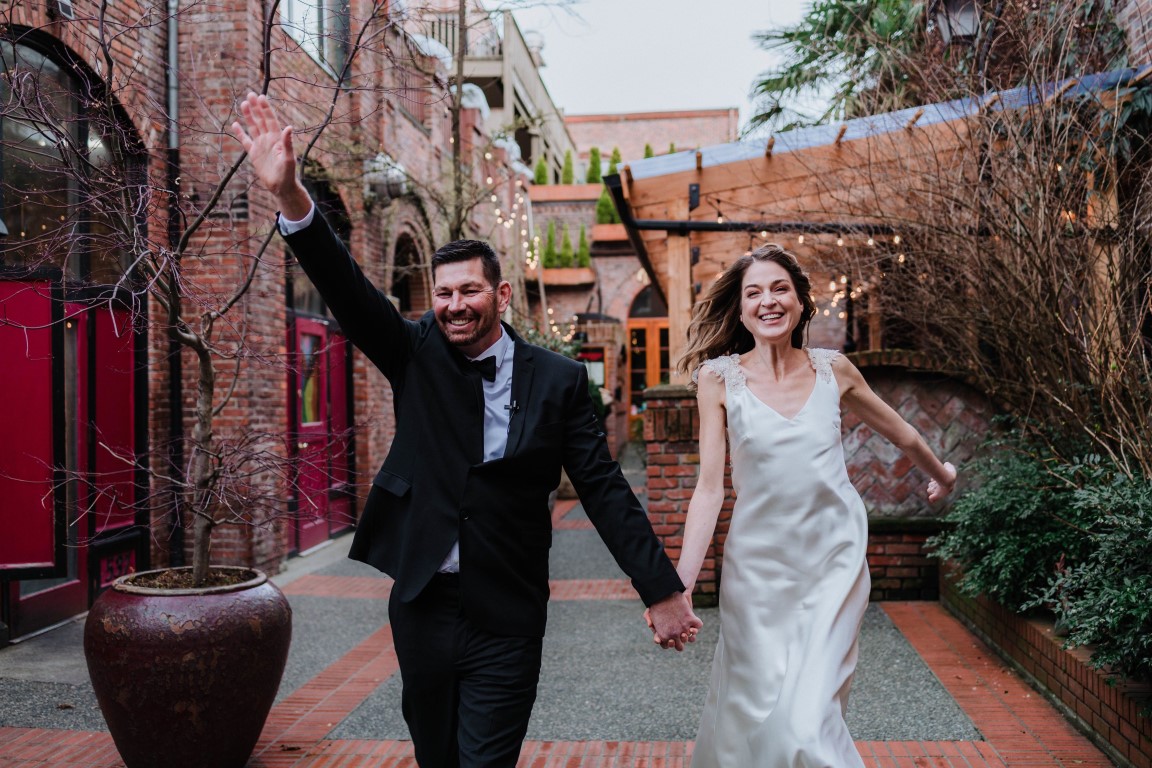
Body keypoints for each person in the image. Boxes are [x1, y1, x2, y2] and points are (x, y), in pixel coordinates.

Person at [232, 92, 702, 768]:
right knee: (438, 757)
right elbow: (349, 291)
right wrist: (293, 199)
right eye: (443, 292)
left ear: (501, 294)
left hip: (507, 611)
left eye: (469, 291)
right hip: (423, 605)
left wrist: (659, 588)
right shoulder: (415, 351)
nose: (453, 305)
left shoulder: (559, 380)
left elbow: (602, 489)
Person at [669, 244, 957, 767]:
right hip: (755, 572)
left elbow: (904, 434)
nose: (768, 301)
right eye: (753, 293)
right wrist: (682, 584)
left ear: (802, 302)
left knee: (806, 718)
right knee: (750, 709)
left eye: (780, 289)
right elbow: (709, 489)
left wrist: (943, 475)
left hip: (833, 562)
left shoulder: (835, 369)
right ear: (740, 310)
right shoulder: (718, 379)